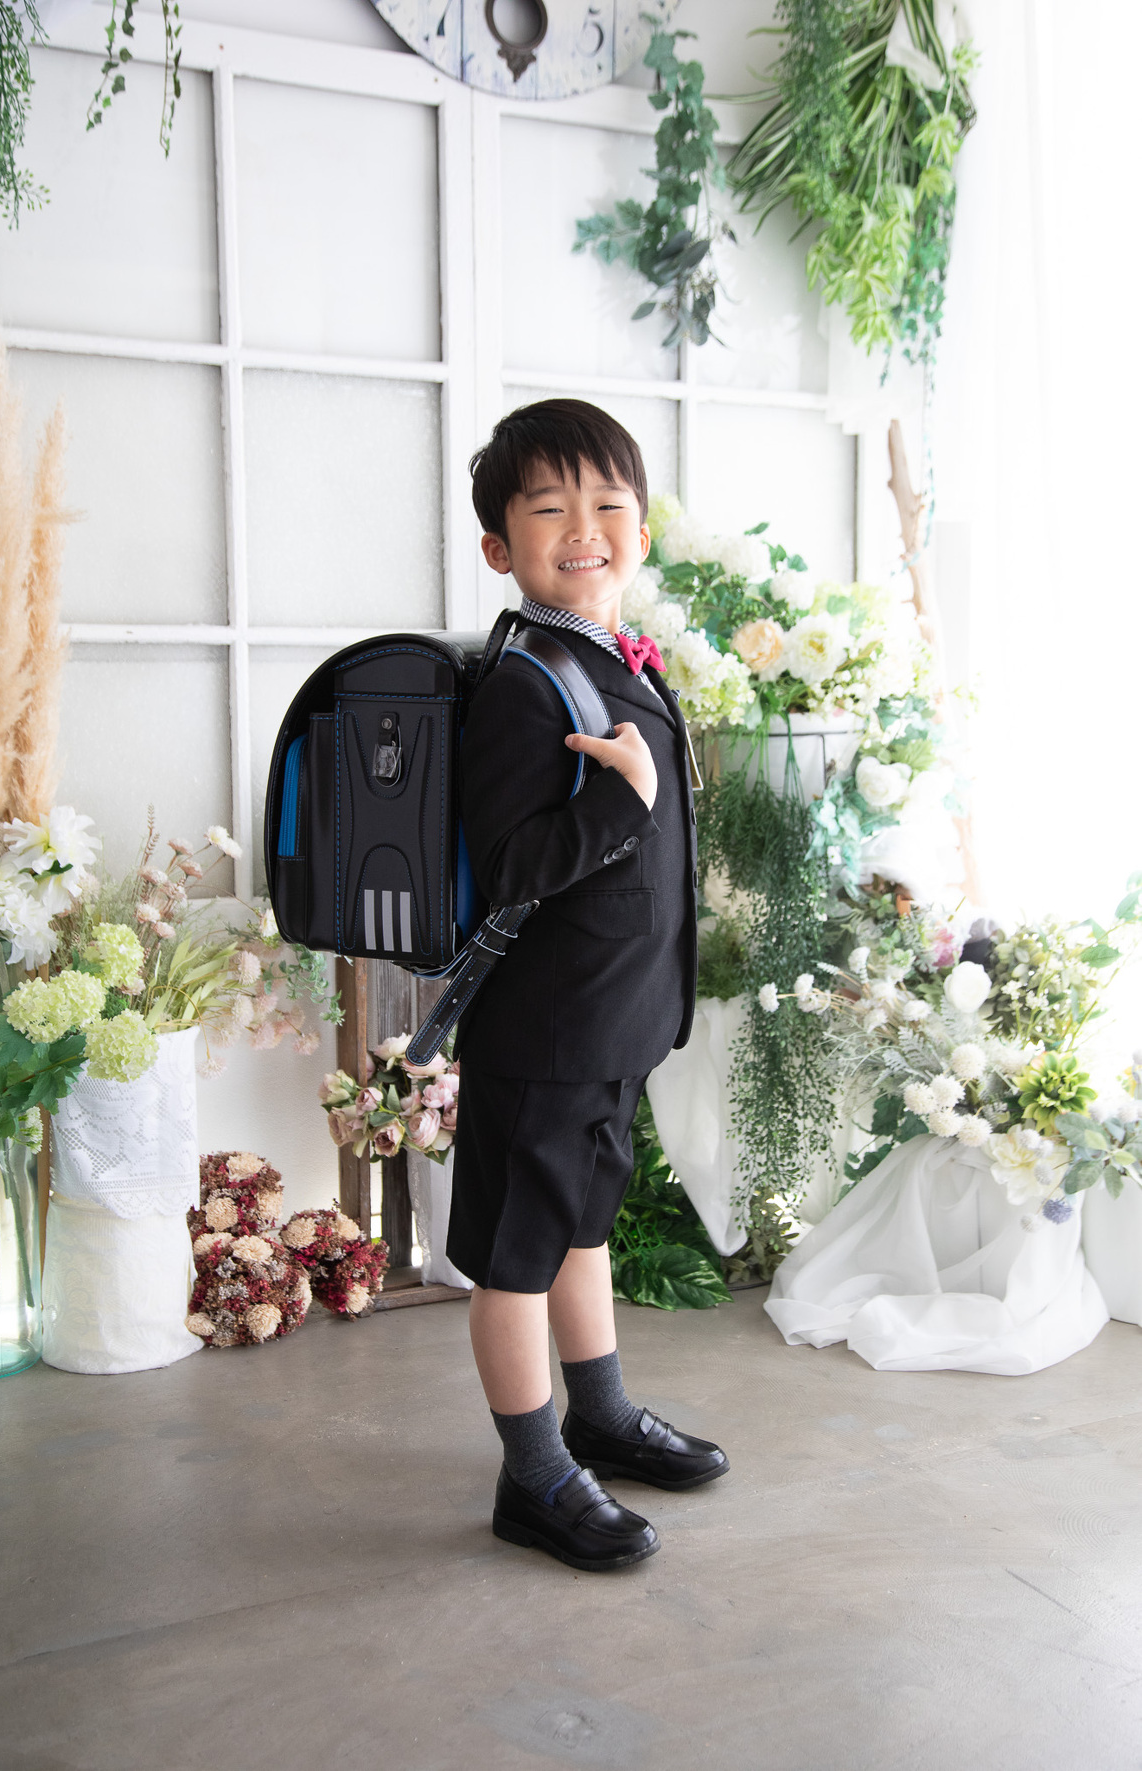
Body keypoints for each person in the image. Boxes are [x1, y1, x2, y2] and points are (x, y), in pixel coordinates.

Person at [447, 398, 729, 1573]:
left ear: (641, 531)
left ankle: (599, 1414)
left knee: (581, 1223)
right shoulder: (523, 679)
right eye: (548, 507)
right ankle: (532, 1473)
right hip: (544, 1031)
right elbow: (509, 866)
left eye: (608, 503)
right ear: (497, 546)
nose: (583, 528)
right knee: (517, 1252)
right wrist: (618, 803)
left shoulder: (610, 658)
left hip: (610, 1020)